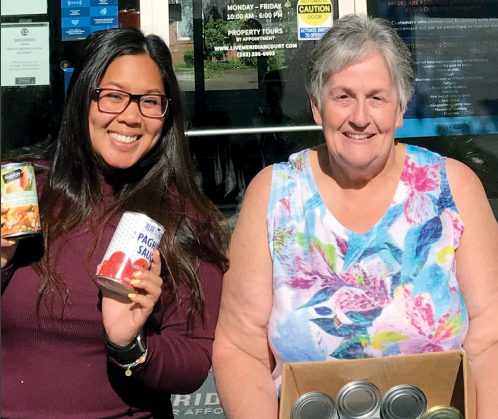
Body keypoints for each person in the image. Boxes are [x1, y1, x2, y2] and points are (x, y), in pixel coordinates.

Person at [212, 14, 498, 418]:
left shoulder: (452, 188)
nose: (360, 117)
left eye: (377, 98)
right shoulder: (274, 194)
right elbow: (240, 347)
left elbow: (491, 339)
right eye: (342, 96)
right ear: (316, 106)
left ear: (400, 109)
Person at [1, 27, 229, 418]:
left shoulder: (183, 217)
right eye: (113, 96)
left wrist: (129, 345)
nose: (130, 116)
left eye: (150, 101)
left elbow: (194, 360)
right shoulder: (20, 192)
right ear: (83, 100)